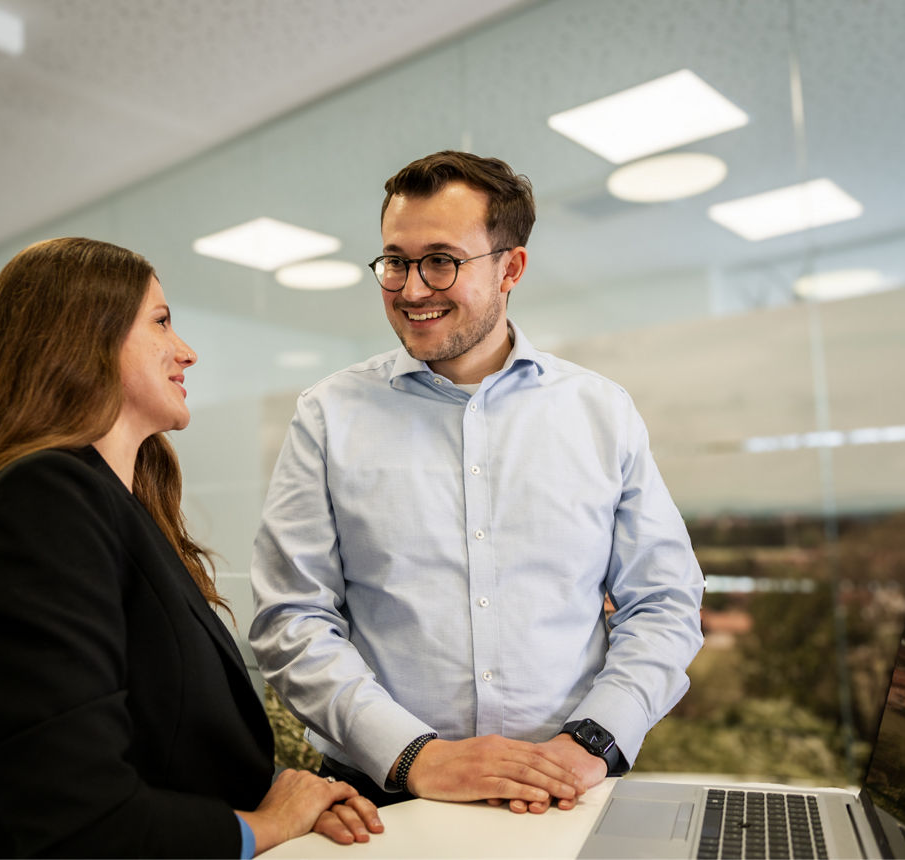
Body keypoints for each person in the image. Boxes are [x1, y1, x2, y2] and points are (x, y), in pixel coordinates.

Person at [0, 237, 382, 858]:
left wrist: (290, 798)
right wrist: (265, 824)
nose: (186, 351)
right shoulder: (43, 499)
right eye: (160, 321)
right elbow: (77, 818)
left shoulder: (114, 507)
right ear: (82, 338)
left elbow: (162, 739)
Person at [249, 151, 705, 814]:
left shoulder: (599, 411)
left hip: (564, 788)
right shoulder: (328, 414)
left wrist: (594, 741)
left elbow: (663, 602)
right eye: (395, 262)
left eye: (441, 260)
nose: (410, 289)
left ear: (510, 267)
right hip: (384, 798)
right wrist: (414, 756)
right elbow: (292, 617)